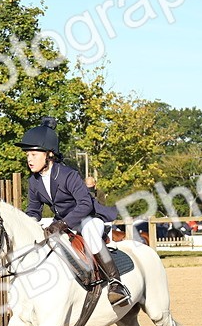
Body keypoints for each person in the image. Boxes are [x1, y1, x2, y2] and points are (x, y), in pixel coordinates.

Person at [19, 117, 129, 307]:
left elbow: (85, 204)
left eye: (34, 155)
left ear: (49, 155)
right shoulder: (33, 181)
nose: (29, 159)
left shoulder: (68, 175)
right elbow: (34, 211)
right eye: (28, 155)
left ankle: (115, 283)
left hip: (88, 217)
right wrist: (27, 224)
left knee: (90, 234)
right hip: (61, 220)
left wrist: (62, 224)